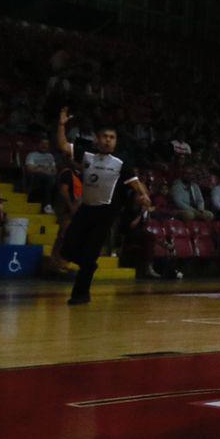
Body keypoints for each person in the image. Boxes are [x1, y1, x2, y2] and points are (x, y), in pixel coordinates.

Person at [53, 106, 151, 305]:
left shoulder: (121, 162)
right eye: (105, 136)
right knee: (67, 248)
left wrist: (145, 197)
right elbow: (63, 145)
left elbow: (137, 185)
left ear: (115, 141)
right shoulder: (87, 154)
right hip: (86, 209)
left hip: (105, 214)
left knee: (89, 255)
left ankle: (80, 295)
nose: (108, 140)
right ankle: (88, 266)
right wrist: (62, 125)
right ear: (97, 139)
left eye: (112, 137)